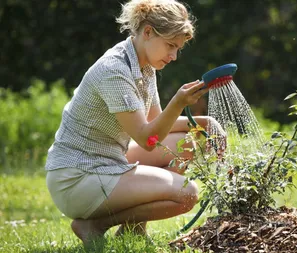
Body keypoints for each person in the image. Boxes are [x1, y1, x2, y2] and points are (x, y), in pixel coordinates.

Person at [45, 0, 225, 246]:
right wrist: (178, 102)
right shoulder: (115, 70)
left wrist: (206, 123)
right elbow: (148, 139)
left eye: (178, 49)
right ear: (148, 32)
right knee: (187, 194)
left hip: (108, 159)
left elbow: (156, 123)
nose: (173, 56)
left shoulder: (144, 67)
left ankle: (134, 230)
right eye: (170, 46)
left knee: (189, 142)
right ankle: (94, 225)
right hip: (78, 177)